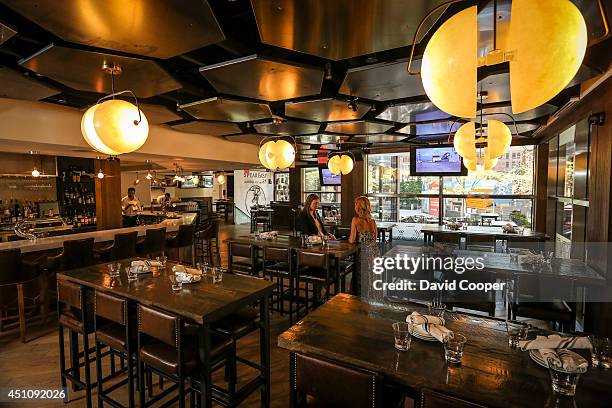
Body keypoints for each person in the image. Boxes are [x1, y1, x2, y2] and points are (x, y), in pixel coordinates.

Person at [348, 196, 382, 303]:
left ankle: (361, 302)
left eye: (355, 204)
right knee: (374, 279)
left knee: (362, 279)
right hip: (375, 253)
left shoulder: (355, 220)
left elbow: (352, 240)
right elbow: (375, 238)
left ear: (358, 207)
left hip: (363, 254)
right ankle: (374, 301)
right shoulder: (373, 221)